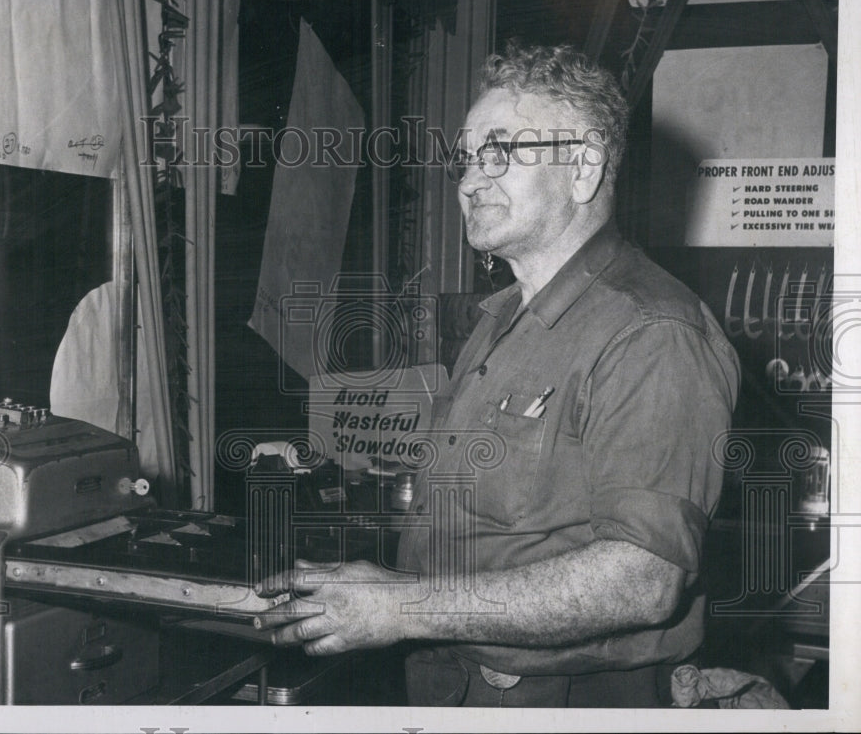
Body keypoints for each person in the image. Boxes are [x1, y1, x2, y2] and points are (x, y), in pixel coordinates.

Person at [259, 42, 740, 707]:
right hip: (456, 683)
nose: (467, 181)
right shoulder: (501, 320)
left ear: (583, 168)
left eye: (500, 152)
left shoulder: (653, 332)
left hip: (568, 700)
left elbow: (643, 577)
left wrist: (405, 605)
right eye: (465, 158)